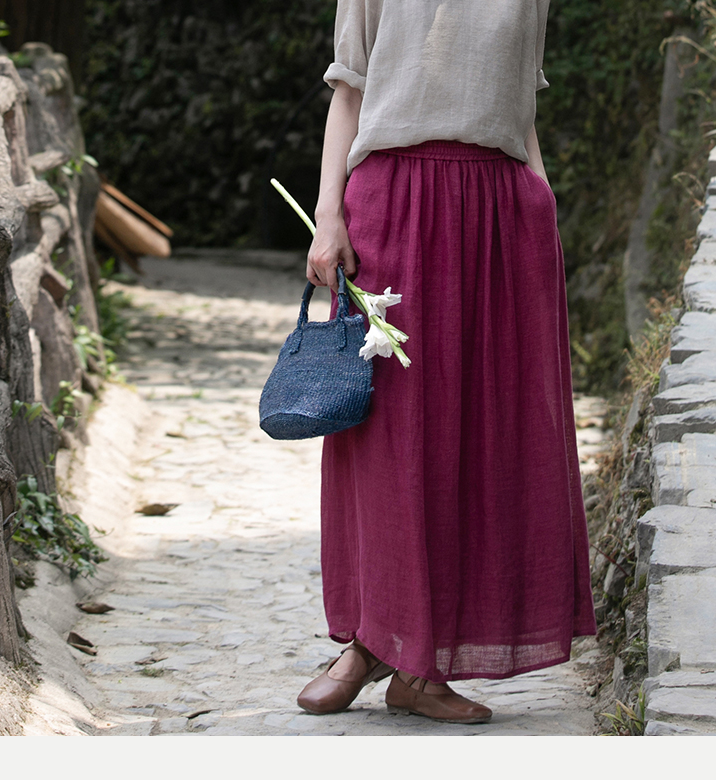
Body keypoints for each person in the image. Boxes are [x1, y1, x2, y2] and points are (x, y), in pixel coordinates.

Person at [297, 0, 596, 725]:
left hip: (500, 213)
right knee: (387, 438)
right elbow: (349, 91)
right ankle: (370, 641)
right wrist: (329, 216)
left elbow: (520, 110)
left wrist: (541, 212)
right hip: (393, 206)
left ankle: (420, 671)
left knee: (482, 440)